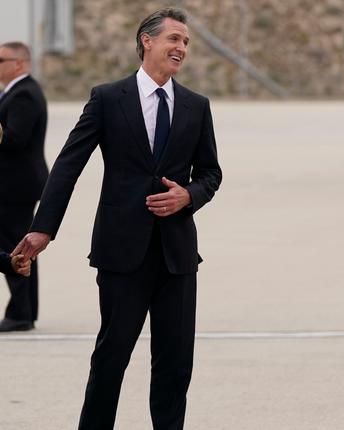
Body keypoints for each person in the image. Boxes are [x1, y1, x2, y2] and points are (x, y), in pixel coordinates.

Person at [13, 8, 222, 429]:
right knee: (111, 357)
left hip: (177, 256)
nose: (181, 48)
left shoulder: (196, 106)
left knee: (175, 364)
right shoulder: (108, 98)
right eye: (174, 39)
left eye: (186, 42)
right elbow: (69, 165)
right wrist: (42, 229)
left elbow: (211, 173)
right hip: (121, 252)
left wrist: (189, 196)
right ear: (147, 41)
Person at [0, 41, 48, 332]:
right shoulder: (14, 92)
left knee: (13, 246)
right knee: (18, 245)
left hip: (16, 186)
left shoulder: (25, 94)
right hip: (14, 184)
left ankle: (21, 313)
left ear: (19, 63)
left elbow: (15, 138)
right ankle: (24, 310)